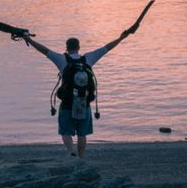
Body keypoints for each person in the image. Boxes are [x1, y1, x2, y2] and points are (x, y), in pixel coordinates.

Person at [23, 27, 136, 157]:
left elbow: (44, 50)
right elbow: (106, 48)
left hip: (67, 103)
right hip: (83, 102)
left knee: (65, 132)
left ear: (66, 47)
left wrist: (29, 40)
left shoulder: (61, 59)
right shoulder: (88, 59)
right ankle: (81, 157)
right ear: (79, 47)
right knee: (82, 134)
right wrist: (121, 38)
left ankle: (71, 152)